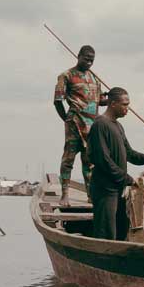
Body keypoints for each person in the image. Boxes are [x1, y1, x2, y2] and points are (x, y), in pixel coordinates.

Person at [85, 87, 144, 240]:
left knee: (121, 230)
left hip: (118, 189)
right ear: (113, 103)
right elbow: (103, 160)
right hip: (105, 190)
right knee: (105, 233)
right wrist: (128, 179)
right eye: (124, 104)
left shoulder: (118, 126)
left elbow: (130, 154)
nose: (127, 109)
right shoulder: (100, 125)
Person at [53, 45, 109, 204]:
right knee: (68, 159)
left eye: (92, 60)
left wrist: (111, 99)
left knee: (90, 162)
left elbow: (99, 101)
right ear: (78, 56)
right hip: (75, 124)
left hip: (92, 126)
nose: (89, 63)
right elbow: (57, 101)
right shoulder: (66, 76)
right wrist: (66, 118)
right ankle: (64, 194)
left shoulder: (94, 78)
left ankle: (91, 195)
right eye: (86, 59)